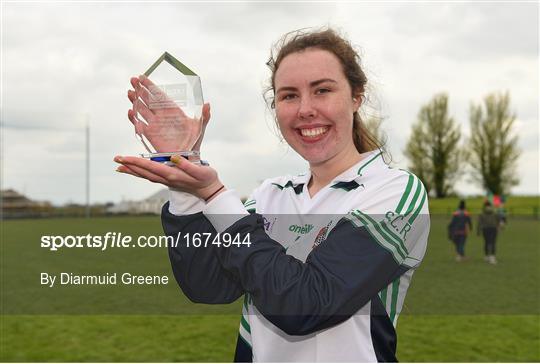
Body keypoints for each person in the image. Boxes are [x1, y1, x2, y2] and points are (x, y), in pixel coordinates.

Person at [115, 28, 430, 362]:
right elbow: (209, 287)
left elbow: (306, 305)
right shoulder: (269, 194)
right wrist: (186, 188)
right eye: (289, 95)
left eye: (322, 90)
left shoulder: (394, 191)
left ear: (356, 97)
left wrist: (215, 194)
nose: (305, 109)